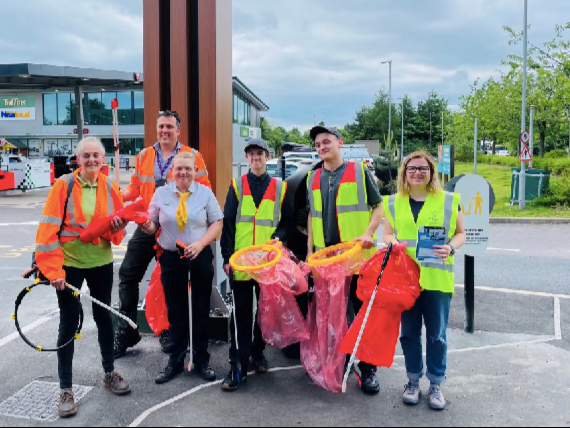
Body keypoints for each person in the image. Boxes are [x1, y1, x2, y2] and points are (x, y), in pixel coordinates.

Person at [35, 137, 130, 419]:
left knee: (103, 319)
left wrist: (118, 226)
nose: (91, 160)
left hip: (101, 262)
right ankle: (66, 389)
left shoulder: (111, 186)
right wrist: (53, 271)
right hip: (70, 265)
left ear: (104, 160)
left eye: (96, 156)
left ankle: (109, 373)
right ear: (78, 159)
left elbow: (118, 233)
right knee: (69, 322)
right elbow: (47, 231)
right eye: (86, 155)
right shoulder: (63, 186)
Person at [114, 111, 211, 358]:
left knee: (171, 283)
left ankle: (167, 330)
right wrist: (116, 194)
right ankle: (128, 330)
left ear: (178, 130)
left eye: (169, 126)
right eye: (161, 126)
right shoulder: (145, 155)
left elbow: (204, 190)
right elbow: (135, 188)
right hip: (148, 225)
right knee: (127, 274)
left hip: (176, 229)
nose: (164, 130)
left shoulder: (192, 155)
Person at [383, 151, 466, 411]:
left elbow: (461, 234)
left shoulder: (450, 200)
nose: (417, 172)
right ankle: (412, 381)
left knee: (437, 336)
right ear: (404, 173)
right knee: (408, 334)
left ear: (431, 172)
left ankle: (436, 384)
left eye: (423, 168)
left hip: (437, 279)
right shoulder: (394, 202)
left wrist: (451, 248)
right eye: (412, 168)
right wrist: (393, 242)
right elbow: (387, 234)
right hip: (405, 281)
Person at [306, 126, 384, 395]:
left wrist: (368, 233)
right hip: (326, 261)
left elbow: (379, 206)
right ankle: (340, 362)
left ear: (340, 143)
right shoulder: (312, 178)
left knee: (361, 314)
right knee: (332, 315)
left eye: (326, 142)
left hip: (357, 259)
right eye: (317, 144)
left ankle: (368, 369)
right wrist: (309, 253)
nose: (322, 147)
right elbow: (311, 217)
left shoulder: (359, 172)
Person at [140, 151, 223, 384]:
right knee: (175, 311)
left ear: (195, 171)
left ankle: (201, 359)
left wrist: (201, 244)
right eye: (179, 169)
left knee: (200, 309)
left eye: (188, 168)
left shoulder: (205, 193)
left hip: (199, 255)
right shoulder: (161, 193)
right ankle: (176, 360)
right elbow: (152, 223)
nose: (183, 172)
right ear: (172, 171)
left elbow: (217, 222)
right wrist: (146, 225)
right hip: (171, 258)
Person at [220, 138, 294, 391]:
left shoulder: (280, 188)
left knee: (264, 312)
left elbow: (286, 224)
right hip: (241, 262)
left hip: (267, 263)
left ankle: (257, 352)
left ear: (267, 156)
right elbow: (228, 222)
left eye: (259, 153)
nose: (255, 157)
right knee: (240, 313)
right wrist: (227, 258)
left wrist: (279, 237)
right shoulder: (237, 185)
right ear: (247, 158)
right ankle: (238, 365)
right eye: (251, 154)